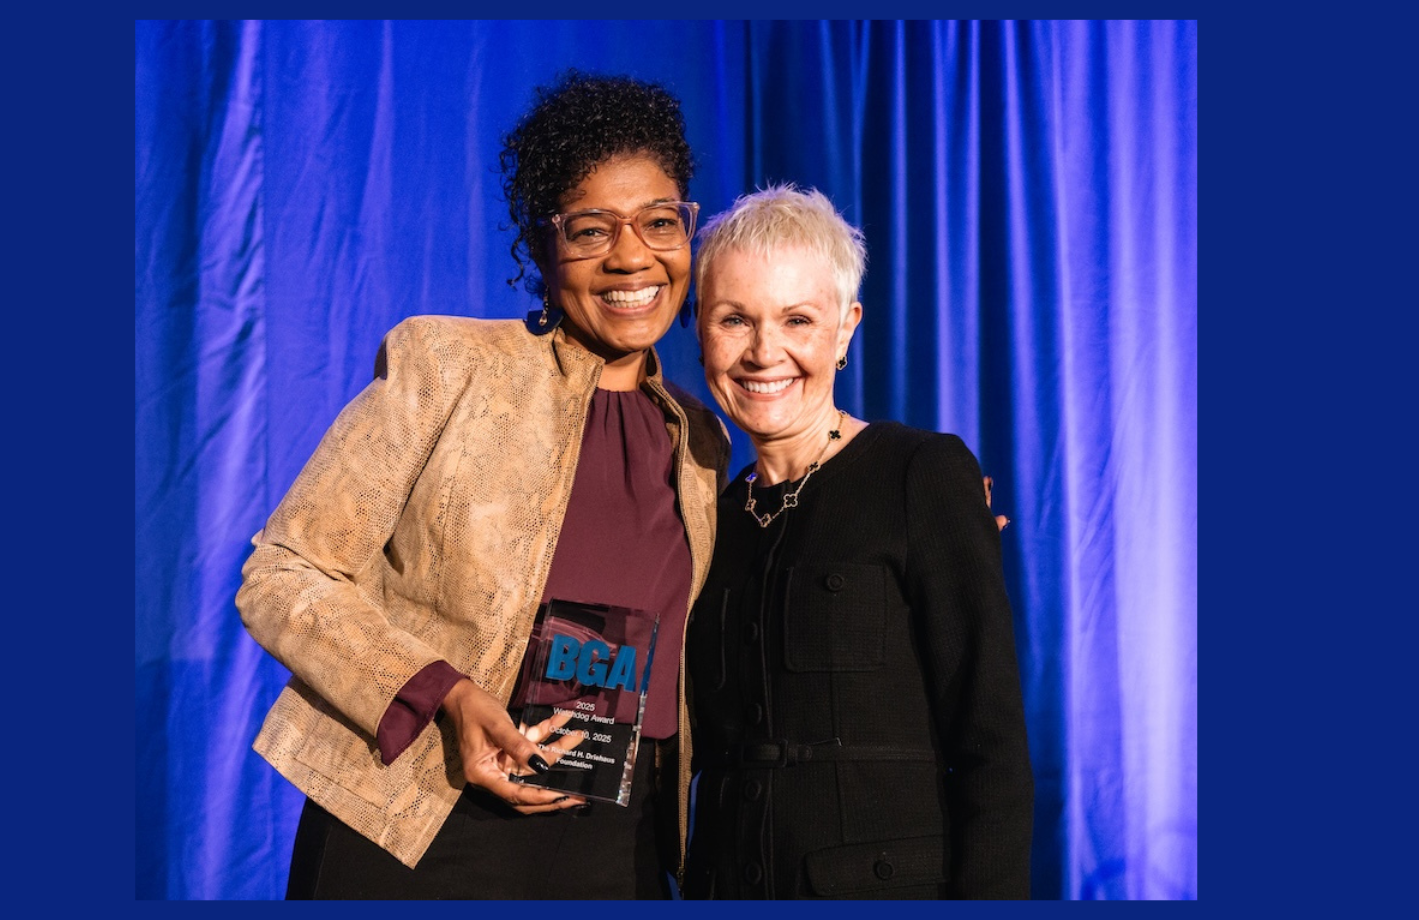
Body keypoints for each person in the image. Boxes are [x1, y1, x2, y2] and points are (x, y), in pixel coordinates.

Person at [236, 71, 728, 899]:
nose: (632, 256)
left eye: (657, 223)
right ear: (541, 248)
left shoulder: (700, 435)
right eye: (591, 230)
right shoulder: (448, 368)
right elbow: (284, 574)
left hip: (617, 843)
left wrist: (929, 508)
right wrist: (449, 696)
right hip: (422, 820)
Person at [681, 185, 1034, 899]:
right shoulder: (701, 516)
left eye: (798, 320)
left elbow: (991, 746)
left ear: (845, 330)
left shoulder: (921, 474)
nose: (763, 351)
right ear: (699, 329)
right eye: (734, 320)